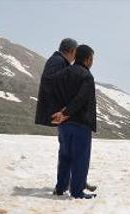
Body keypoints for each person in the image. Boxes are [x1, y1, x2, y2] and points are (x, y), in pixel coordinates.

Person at [50, 44, 97, 200]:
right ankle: (77, 192)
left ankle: (60, 188)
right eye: (92, 58)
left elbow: (54, 94)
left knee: (65, 156)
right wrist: (66, 113)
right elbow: (81, 99)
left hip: (63, 125)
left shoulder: (62, 73)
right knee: (80, 158)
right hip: (80, 124)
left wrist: (60, 114)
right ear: (88, 59)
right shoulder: (86, 76)